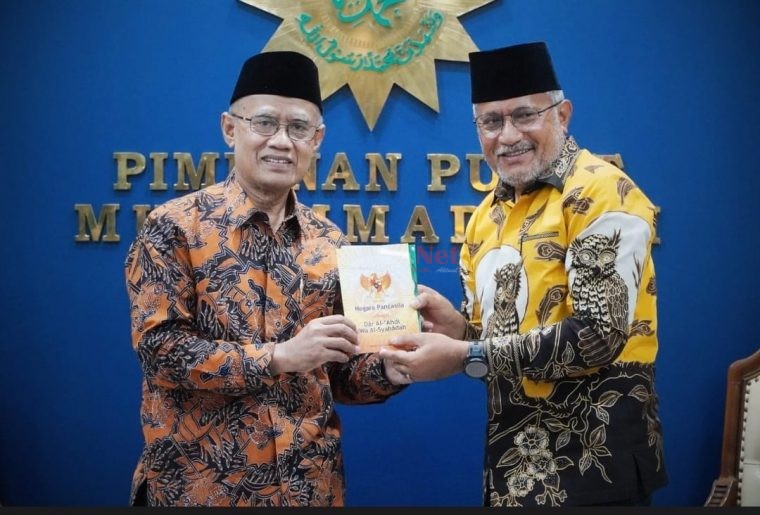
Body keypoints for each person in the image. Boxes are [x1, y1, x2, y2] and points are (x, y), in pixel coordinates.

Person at [380, 42, 667, 506]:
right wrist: (459, 329)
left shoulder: (602, 192)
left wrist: (464, 352)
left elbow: (597, 336)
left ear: (563, 115)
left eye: (525, 115)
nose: (508, 135)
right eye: (491, 122)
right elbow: (499, 351)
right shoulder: (484, 218)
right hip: (513, 475)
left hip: (597, 470)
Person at [124, 50, 408, 507]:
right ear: (229, 128)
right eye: (264, 123)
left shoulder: (330, 242)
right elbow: (161, 352)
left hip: (309, 488)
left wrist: (390, 368)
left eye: (298, 128)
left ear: (317, 139)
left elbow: (338, 375)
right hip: (200, 488)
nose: (281, 141)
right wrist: (278, 357)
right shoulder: (174, 226)